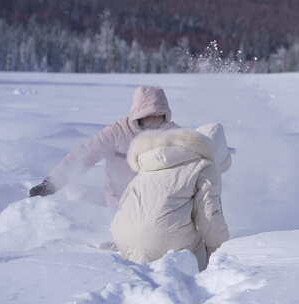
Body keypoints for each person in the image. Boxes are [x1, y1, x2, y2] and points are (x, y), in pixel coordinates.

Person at [29, 86, 178, 206]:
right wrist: (52, 183)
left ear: (165, 115)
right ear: (137, 114)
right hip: (120, 203)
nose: (153, 122)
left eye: (158, 117)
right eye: (147, 118)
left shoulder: (174, 134)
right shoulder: (117, 132)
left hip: (160, 202)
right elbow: (85, 154)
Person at [110, 128, 230, 271]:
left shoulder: (150, 162)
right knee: (200, 250)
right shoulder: (204, 166)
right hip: (165, 241)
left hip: (124, 239)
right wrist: (221, 251)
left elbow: (125, 202)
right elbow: (210, 215)